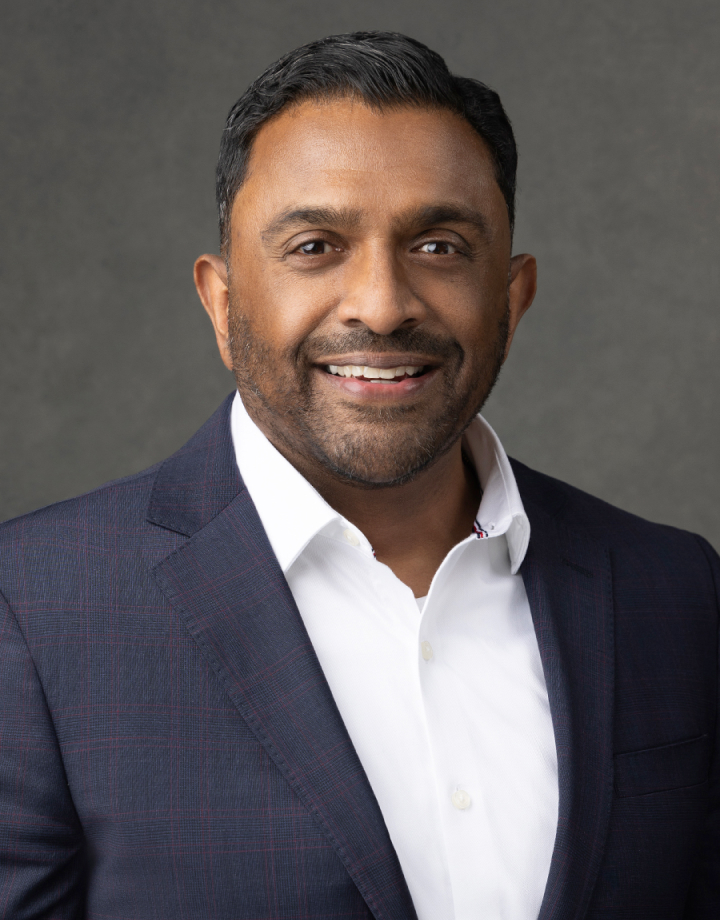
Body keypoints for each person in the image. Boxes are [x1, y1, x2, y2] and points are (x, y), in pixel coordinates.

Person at [0, 30, 717, 920]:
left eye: (440, 246)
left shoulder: (675, 591)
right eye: (314, 246)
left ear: (513, 297)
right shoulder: (33, 608)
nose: (381, 305)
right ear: (222, 303)